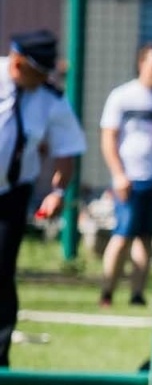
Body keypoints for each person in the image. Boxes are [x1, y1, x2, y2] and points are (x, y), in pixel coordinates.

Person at [2, 30, 85, 367]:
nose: (43, 79)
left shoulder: (50, 99)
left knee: (2, 271)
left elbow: (67, 149)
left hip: (12, 192)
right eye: (38, 72)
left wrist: (58, 191)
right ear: (18, 63)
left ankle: (0, 358)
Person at [97, 43, 152, 307]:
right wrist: (118, 174)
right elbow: (108, 138)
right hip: (130, 178)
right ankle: (107, 291)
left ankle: (137, 294)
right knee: (123, 235)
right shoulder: (122, 95)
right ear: (142, 63)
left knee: (147, 238)